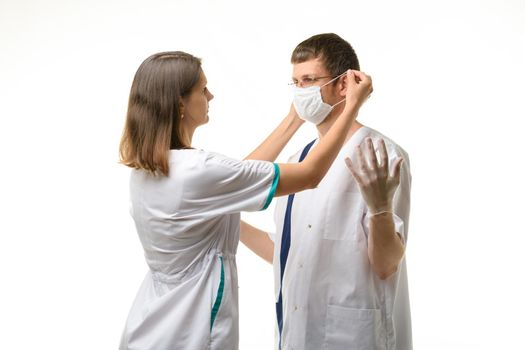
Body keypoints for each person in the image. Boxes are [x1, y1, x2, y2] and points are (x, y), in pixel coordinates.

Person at [118, 51, 372, 350]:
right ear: (180, 102)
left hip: (150, 325)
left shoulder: (151, 170)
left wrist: (294, 118)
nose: (210, 96)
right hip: (191, 331)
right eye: (202, 89)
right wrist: (351, 108)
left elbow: (236, 178)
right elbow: (309, 174)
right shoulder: (197, 171)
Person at [240, 33, 412, 350]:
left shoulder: (379, 153)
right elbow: (286, 252)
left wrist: (381, 209)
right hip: (296, 333)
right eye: (294, 82)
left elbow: (386, 265)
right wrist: (227, 222)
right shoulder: (299, 161)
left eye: (308, 80)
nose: (299, 92)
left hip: (351, 337)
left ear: (343, 84)